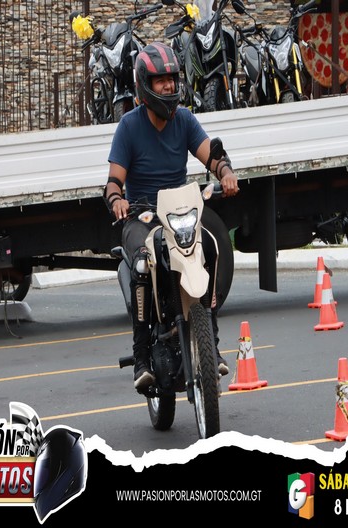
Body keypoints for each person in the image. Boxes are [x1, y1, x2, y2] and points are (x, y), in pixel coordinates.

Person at [105, 41, 239, 391]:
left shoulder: (185, 120)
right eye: (160, 80)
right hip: (142, 217)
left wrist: (225, 172)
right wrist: (118, 200)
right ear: (144, 86)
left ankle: (212, 343)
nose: (168, 87)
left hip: (178, 215)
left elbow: (211, 155)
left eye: (172, 79)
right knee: (141, 265)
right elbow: (113, 182)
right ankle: (141, 356)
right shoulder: (129, 127)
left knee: (209, 248)